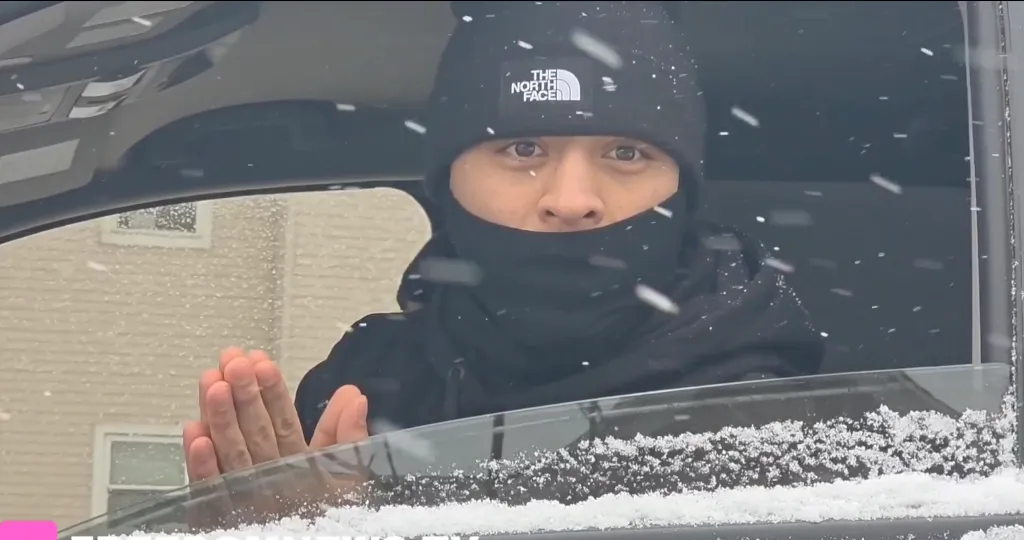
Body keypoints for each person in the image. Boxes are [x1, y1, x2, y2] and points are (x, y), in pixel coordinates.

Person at [183, 0, 826, 484]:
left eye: (627, 152)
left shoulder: (787, 414)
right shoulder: (362, 397)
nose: (572, 199)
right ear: (448, 181)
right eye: (523, 148)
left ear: (681, 188)